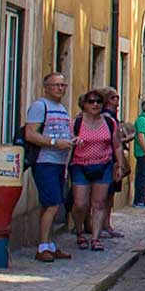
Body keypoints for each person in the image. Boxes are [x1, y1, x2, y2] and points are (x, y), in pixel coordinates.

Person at [24, 72, 76, 262]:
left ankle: (49, 244)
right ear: (46, 87)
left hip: (59, 162)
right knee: (52, 204)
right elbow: (31, 134)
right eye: (56, 85)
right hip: (45, 161)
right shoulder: (40, 106)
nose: (60, 89)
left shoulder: (61, 108)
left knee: (51, 204)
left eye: (63, 85)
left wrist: (71, 141)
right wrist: (55, 143)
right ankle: (43, 246)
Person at [69, 90, 123, 251]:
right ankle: (79, 232)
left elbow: (117, 145)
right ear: (84, 104)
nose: (95, 105)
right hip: (80, 165)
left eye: (99, 101)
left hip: (103, 165)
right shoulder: (76, 123)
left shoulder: (109, 122)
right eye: (91, 101)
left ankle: (95, 238)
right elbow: (67, 144)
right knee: (80, 204)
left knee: (99, 203)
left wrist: (120, 165)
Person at [98, 87, 132, 238]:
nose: (117, 101)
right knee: (105, 195)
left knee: (109, 195)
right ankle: (103, 226)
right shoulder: (106, 117)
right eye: (113, 98)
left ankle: (106, 224)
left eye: (117, 97)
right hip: (108, 160)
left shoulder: (112, 116)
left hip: (113, 159)